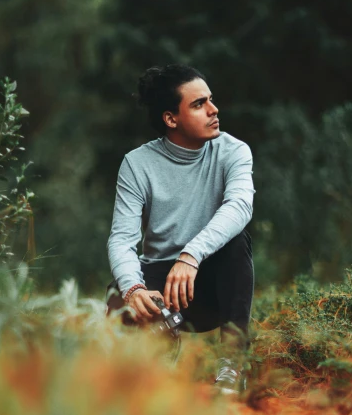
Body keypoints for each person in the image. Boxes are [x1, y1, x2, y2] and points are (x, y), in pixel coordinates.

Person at [106, 64, 255, 394]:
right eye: (199, 104)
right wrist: (134, 289)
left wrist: (191, 255)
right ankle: (151, 369)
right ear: (171, 118)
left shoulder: (234, 151)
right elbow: (122, 239)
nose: (214, 110)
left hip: (213, 284)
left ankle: (232, 365)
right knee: (119, 289)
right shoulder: (137, 164)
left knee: (235, 241)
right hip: (162, 288)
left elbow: (240, 206)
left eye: (211, 100)